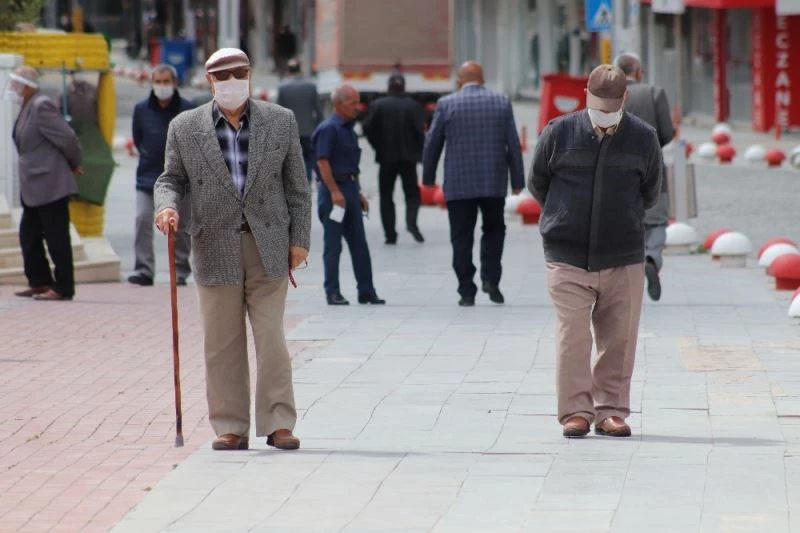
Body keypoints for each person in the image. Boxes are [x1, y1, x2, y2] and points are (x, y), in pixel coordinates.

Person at [154, 48, 311, 451]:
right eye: (222, 76)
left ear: (250, 74)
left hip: (269, 245)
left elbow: (297, 186)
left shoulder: (281, 121)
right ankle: (231, 425)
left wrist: (300, 240)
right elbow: (170, 179)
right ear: (209, 81)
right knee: (221, 343)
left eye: (238, 73)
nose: (231, 82)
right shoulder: (185, 127)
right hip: (213, 246)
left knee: (271, 338)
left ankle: (279, 422)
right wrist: (167, 207)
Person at [529, 65, 663, 439]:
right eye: (597, 105)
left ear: (624, 99)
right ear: (585, 91)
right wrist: (563, 215)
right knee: (573, 336)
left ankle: (611, 411)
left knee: (619, 339)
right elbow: (537, 182)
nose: (603, 112)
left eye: (611, 106)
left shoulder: (643, 138)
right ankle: (575, 411)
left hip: (623, 254)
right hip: (567, 254)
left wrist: (626, 218)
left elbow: (651, 191)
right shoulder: (559, 132)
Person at [422, 61, 524, 307]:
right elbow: (513, 143)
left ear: (459, 81)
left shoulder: (446, 104)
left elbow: (432, 143)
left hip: (459, 184)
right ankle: (491, 280)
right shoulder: (501, 102)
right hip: (493, 181)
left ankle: (466, 290)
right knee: (494, 231)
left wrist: (428, 178)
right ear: (483, 80)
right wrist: (517, 181)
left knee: (461, 236)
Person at [7, 66, 82, 302]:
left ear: (27, 86)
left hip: (51, 184)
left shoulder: (41, 106)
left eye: (16, 85)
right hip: (34, 186)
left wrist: (74, 162)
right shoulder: (27, 106)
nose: (13, 90)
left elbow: (67, 137)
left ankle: (64, 287)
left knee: (56, 236)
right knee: (28, 235)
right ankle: (40, 281)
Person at [312, 84, 385, 306]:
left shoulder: (348, 128)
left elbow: (352, 165)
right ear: (338, 104)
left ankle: (366, 291)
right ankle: (332, 292)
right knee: (333, 245)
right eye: (353, 102)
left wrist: (359, 193)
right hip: (334, 192)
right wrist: (334, 191)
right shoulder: (328, 129)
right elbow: (322, 161)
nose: (357, 106)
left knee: (360, 245)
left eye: (357, 101)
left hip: (350, 190)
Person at [614, 53, 675, 302]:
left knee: (622, 222)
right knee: (657, 220)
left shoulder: (610, 94)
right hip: (652, 166)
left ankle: (626, 276)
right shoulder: (654, 93)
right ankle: (651, 257)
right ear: (638, 71)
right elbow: (667, 133)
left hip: (616, 171)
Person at [129, 64, 195, 287]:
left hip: (180, 179)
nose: (162, 86)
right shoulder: (141, 109)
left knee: (181, 225)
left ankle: (180, 271)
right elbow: (138, 139)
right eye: (158, 82)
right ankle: (143, 269)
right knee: (142, 219)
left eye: (166, 82)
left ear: (174, 84)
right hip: (148, 176)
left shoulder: (187, 109)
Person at [363, 74, 426, 244]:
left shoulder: (378, 105)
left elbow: (367, 128)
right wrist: (420, 151)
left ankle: (390, 234)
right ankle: (411, 223)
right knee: (412, 193)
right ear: (404, 87)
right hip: (409, 158)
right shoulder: (414, 106)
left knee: (386, 195)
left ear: (388, 87)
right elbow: (420, 132)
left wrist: (377, 145)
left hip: (386, 158)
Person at [276, 58, 324, 182]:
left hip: (290, 131)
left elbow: (278, 112)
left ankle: (297, 183)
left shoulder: (283, 87)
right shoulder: (311, 86)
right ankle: (307, 181)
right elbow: (318, 110)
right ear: (300, 69)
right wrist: (320, 128)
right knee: (309, 158)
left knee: (293, 159)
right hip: (309, 130)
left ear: (288, 70)